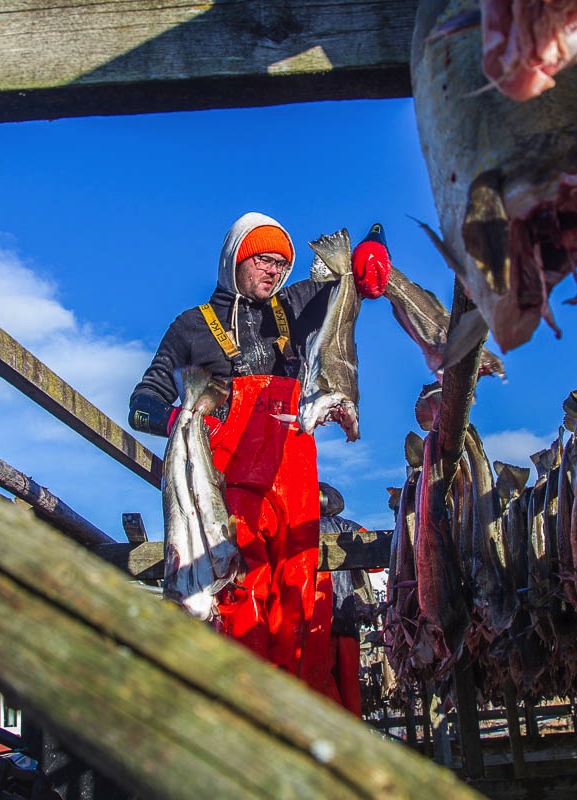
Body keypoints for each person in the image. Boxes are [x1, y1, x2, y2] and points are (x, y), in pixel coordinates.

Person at [128, 212, 388, 699]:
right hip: (227, 499)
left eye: (280, 263)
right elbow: (141, 403)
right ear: (235, 260)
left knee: (302, 607)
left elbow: (351, 276)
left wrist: (375, 249)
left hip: (296, 496)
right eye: (262, 260)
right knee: (237, 603)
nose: (273, 271)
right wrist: (182, 423)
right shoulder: (190, 328)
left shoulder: (297, 306)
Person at [311, 482, 378, 717]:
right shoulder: (348, 527)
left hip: (311, 622)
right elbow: (377, 562)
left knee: (319, 687)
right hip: (346, 618)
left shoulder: (299, 528)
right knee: (350, 692)